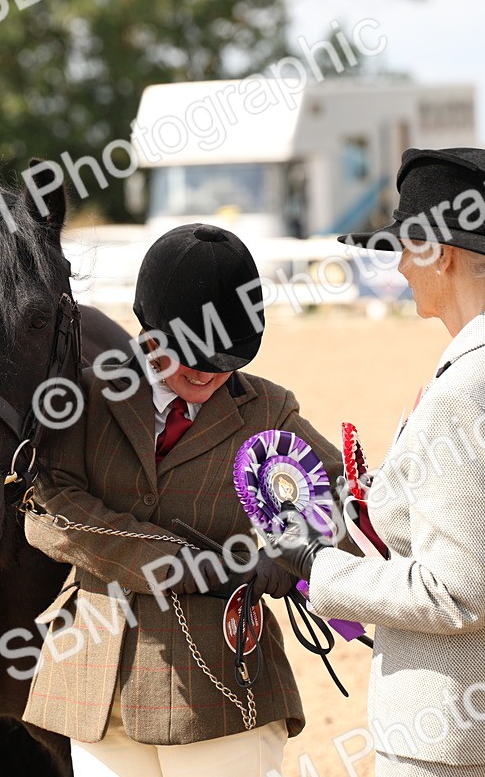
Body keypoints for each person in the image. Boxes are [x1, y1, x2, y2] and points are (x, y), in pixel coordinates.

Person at [266, 148, 485, 777]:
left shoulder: (468, 391)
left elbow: (456, 593)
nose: (400, 265)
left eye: (406, 247)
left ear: (441, 253)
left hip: (460, 734)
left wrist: (317, 567)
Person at [22, 222, 340, 777]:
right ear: (147, 331)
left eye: (225, 359)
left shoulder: (269, 410)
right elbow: (48, 509)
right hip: (97, 683)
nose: (208, 374)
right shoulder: (88, 395)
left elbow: (337, 496)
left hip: (221, 684)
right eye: (189, 356)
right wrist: (175, 562)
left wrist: (291, 559)